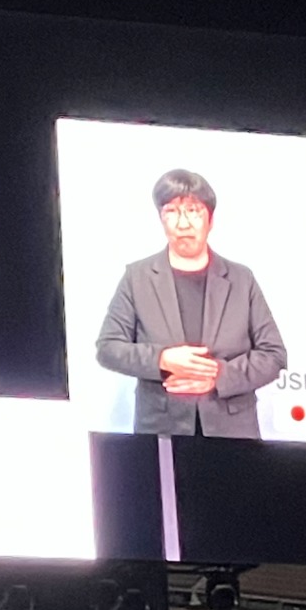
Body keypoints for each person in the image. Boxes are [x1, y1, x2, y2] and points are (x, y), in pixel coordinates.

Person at [95, 168, 287, 439]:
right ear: (161, 218)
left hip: (233, 433)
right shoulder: (137, 278)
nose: (183, 223)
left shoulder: (241, 279)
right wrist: (162, 359)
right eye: (172, 211)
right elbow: (108, 348)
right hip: (161, 429)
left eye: (194, 211)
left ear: (211, 219)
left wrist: (219, 375)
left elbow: (273, 355)